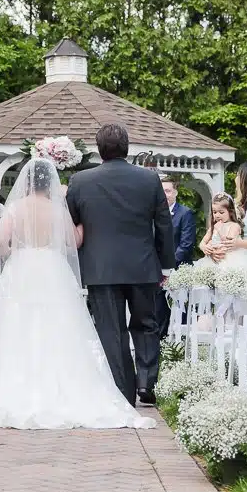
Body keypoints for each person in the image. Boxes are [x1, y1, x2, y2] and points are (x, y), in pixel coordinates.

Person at [0, 158, 156, 429]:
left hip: (23, 270)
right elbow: (73, 242)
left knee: (19, 327)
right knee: (58, 327)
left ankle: (19, 384)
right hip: (53, 269)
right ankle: (59, 385)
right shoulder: (57, 210)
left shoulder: (15, 208)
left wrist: (18, 247)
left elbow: (1, 247)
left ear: (26, 182)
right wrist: (82, 228)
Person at [66, 124, 176, 406]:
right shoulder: (149, 180)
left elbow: (72, 223)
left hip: (100, 267)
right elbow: (163, 224)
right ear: (126, 147)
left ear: (99, 149)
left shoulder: (80, 181)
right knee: (146, 324)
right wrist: (166, 265)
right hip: (142, 264)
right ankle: (146, 382)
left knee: (111, 330)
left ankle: (123, 389)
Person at [154, 175, 196, 340]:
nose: (165, 194)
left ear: (176, 192)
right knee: (159, 310)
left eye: (168, 191)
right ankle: (162, 344)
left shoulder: (185, 213)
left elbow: (186, 245)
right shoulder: (154, 213)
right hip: (157, 272)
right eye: (162, 191)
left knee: (181, 310)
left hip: (179, 269)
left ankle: (182, 345)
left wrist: (168, 265)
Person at [196, 193, 247, 270]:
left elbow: (228, 244)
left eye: (221, 212)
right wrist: (205, 248)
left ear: (230, 212)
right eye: (214, 212)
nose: (217, 215)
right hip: (213, 259)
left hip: (229, 259)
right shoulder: (214, 227)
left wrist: (219, 229)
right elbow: (202, 242)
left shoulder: (234, 226)